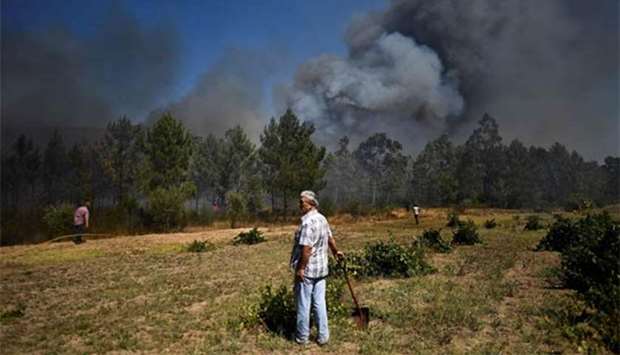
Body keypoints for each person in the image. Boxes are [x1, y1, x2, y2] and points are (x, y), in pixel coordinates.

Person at [290, 190, 344, 346]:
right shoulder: (322, 219)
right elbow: (329, 238)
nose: (300, 204)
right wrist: (336, 252)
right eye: (300, 201)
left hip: (308, 271)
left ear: (311, 204)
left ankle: (302, 337)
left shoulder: (308, 222)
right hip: (321, 269)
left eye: (302, 202)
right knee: (319, 302)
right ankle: (323, 337)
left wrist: (301, 269)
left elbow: (306, 249)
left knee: (303, 303)